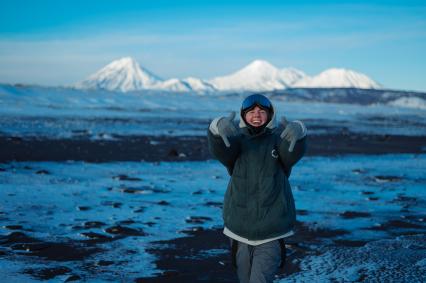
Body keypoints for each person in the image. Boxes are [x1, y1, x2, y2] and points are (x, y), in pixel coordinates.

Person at [207, 94, 307, 283]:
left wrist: (299, 131)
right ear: (243, 115)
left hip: (272, 231)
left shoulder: (278, 140)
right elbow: (221, 150)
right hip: (238, 230)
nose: (256, 114)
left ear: (270, 115)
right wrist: (217, 128)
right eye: (251, 111)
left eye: (262, 111)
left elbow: (292, 151)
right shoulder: (236, 141)